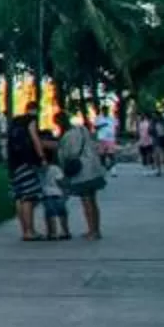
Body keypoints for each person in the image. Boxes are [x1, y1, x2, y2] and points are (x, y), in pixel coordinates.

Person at [58, 102, 108, 241]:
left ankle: (92, 231)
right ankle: (96, 229)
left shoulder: (67, 136)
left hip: (82, 172)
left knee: (86, 201)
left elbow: (67, 155)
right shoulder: (82, 130)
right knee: (93, 200)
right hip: (93, 168)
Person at [5, 107, 48, 240]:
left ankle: (25, 230)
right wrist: (42, 157)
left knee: (19, 196)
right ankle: (30, 231)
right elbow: (35, 139)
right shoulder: (31, 120)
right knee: (28, 197)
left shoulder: (15, 122)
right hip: (26, 162)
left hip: (14, 163)